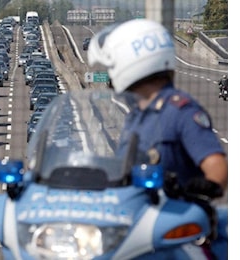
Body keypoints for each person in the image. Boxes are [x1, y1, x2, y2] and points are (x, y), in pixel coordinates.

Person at [87, 19, 228, 197]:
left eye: (112, 65)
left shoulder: (180, 112)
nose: (109, 73)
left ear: (130, 63)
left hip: (173, 218)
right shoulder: (136, 115)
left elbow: (217, 166)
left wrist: (197, 191)